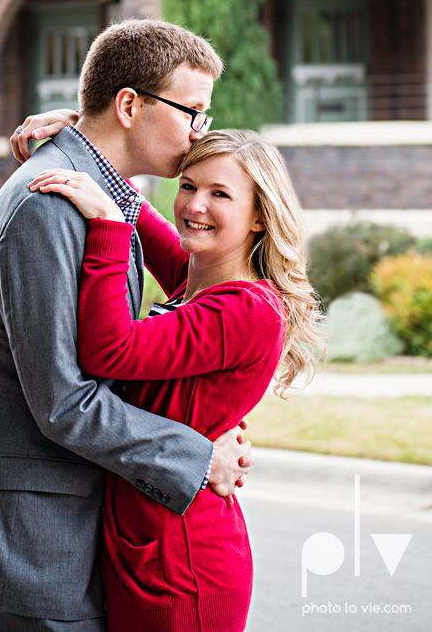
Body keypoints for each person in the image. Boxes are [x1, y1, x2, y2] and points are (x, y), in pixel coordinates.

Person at [0, 20, 254, 632]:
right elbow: (64, 402)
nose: (200, 131)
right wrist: (199, 458)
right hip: (28, 538)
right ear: (129, 105)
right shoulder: (49, 205)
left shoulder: (92, 191)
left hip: (44, 528)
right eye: (192, 112)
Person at [26, 128, 325, 632]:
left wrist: (106, 226)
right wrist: (80, 130)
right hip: (149, 543)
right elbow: (142, 212)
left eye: (220, 194)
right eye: (188, 185)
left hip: (186, 566)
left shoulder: (245, 308)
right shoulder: (201, 274)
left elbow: (109, 349)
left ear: (259, 217)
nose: (195, 205)